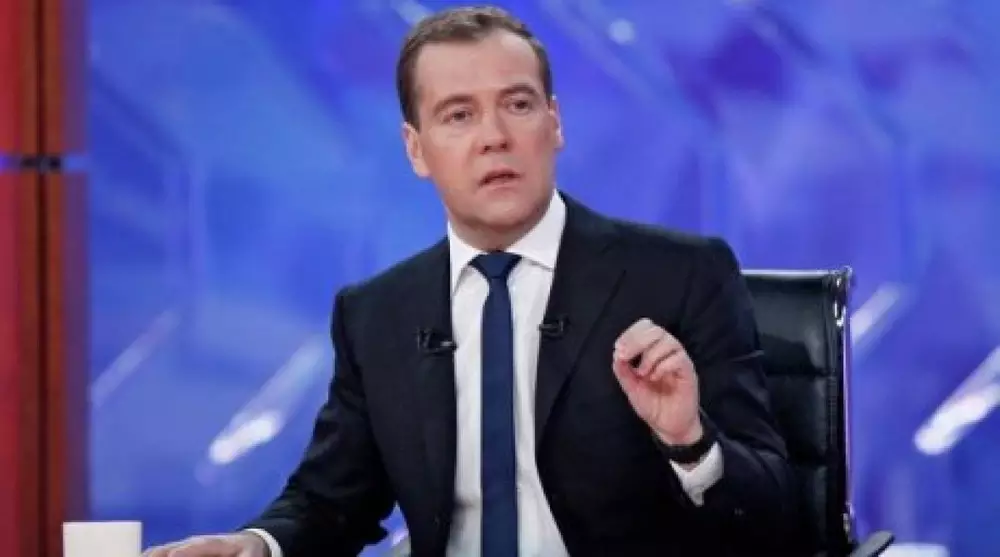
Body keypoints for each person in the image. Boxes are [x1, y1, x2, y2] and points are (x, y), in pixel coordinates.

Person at [144, 5, 795, 557]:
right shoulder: (377, 315)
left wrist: (689, 441)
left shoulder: (679, 276)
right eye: (459, 115)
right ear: (416, 149)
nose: (494, 137)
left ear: (555, 122)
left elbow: (777, 516)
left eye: (518, 104)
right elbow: (329, 500)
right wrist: (256, 544)